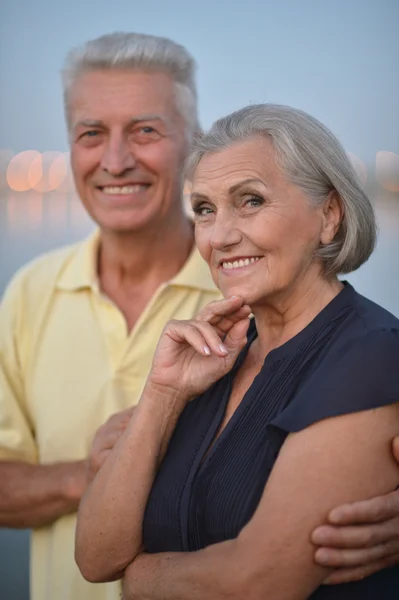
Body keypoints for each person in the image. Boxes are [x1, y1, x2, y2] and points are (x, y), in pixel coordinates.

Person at [0, 32, 398, 600]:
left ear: (330, 215)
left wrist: (140, 579)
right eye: (206, 209)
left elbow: (259, 576)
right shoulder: (214, 345)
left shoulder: (357, 349)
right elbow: (96, 557)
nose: (223, 234)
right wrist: (158, 400)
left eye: (252, 200)